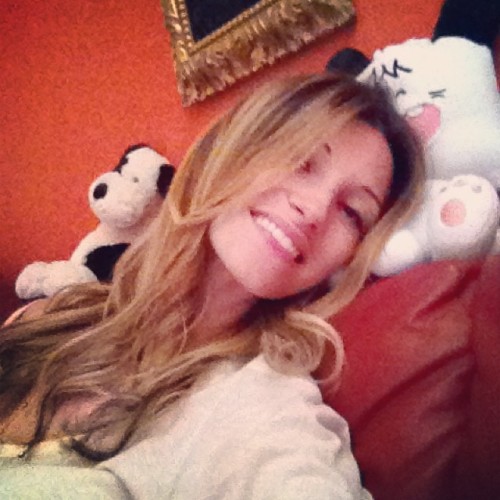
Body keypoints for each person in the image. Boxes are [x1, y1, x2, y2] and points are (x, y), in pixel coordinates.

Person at [0, 72, 423, 498]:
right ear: (234, 148)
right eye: (301, 161)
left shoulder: (264, 409)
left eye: (352, 212)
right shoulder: (52, 313)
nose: (314, 210)